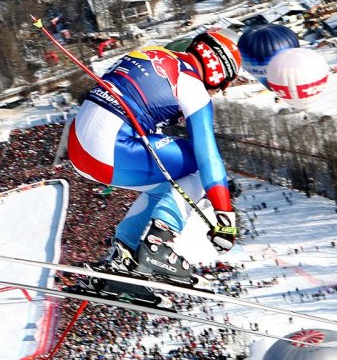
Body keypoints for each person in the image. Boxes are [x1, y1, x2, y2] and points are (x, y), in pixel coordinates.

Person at [67, 28, 241, 286]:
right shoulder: (192, 85)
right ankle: (158, 246)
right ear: (218, 72)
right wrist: (225, 216)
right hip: (109, 152)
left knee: (169, 184)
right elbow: (208, 156)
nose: (220, 92)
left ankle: (125, 252)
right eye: (225, 85)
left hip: (78, 148)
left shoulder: (154, 52)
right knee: (194, 167)